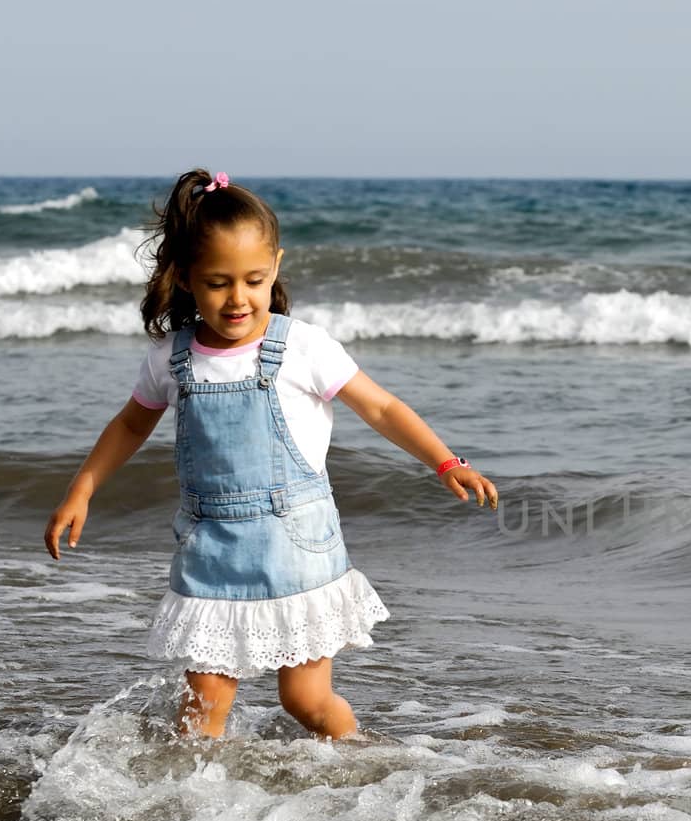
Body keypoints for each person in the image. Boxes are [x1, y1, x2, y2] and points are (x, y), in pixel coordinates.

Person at [43, 169, 496, 741]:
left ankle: (360, 764)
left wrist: (446, 461)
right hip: (211, 551)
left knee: (305, 701)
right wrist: (81, 490)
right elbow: (131, 424)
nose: (239, 298)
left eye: (254, 280)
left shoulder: (303, 346)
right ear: (184, 278)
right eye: (218, 283)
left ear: (276, 267)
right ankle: (187, 811)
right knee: (200, 711)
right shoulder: (171, 358)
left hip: (296, 549)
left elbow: (380, 408)